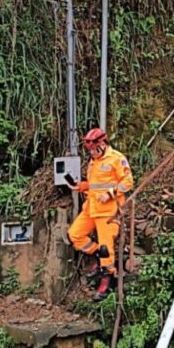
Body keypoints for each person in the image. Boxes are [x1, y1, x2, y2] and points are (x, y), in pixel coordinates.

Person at [67, 127, 133, 301]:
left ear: (102, 144)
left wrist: (110, 193)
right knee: (75, 235)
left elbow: (128, 182)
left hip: (109, 211)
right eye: (90, 151)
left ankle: (107, 279)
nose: (92, 153)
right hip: (91, 208)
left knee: (106, 247)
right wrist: (80, 186)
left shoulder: (116, 159)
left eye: (95, 150)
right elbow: (94, 184)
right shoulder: (92, 161)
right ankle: (97, 255)